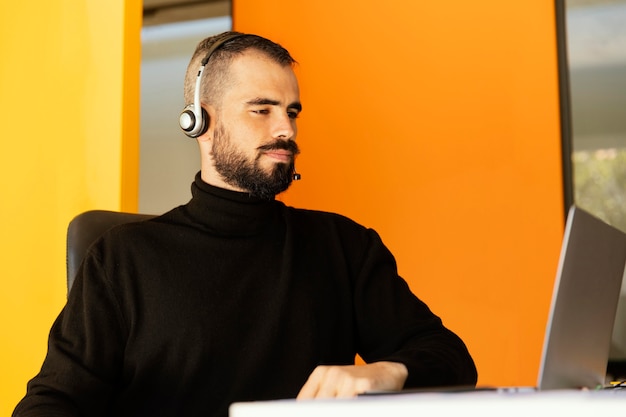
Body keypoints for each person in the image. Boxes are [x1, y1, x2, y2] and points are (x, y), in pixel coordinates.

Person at [13, 31, 477, 417]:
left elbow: (450, 358)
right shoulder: (122, 258)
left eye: (292, 111)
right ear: (200, 122)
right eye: (263, 109)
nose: (287, 130)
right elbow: (51, 405)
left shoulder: (344, 245)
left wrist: (385, 372)